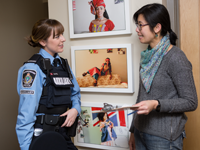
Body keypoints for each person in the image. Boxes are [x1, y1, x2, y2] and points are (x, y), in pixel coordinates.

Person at [128, 3, 198, 150]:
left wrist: (156, 104)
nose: (137, 29)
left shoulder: (176, 57)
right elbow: (141, 97)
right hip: (140, 133)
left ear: (157, 28)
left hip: (164, 139)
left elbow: (191, 102)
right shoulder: (147, 56)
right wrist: (133, 131)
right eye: (137, 25)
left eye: (140, 25)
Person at [16, 19, 81, 150]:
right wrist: (26, 148)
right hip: (42, 134)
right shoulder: (32, 69)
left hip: (62, 132)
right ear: (42, 41)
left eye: (62, 34)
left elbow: (75, 93)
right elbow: (26, 113)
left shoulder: (62, 64)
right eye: (57, 36)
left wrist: (75, 109)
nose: (63, 39)